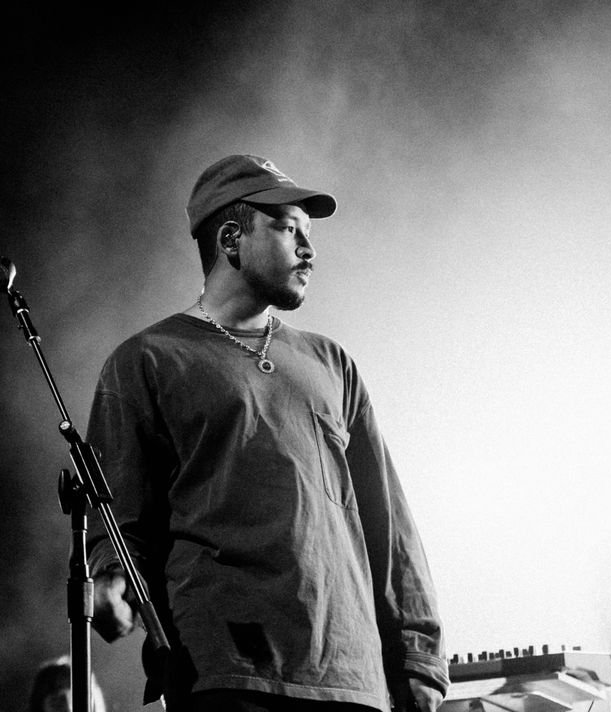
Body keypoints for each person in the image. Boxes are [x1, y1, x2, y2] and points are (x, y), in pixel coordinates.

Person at [84, 154, 449, 712]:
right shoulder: (147, 360)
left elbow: (387, 520)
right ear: (232, 238)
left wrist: (418, 656)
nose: (309, 250)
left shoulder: (332, 363)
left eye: (309, 234)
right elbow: (117, 513)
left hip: (351, 678)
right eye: (287, 229)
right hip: (226, 673)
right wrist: (112, 576)